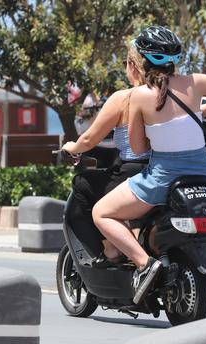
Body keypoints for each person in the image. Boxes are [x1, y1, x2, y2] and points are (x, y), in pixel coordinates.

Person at [92, 26, 206, 303]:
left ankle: (144, 264)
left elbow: (139, 148)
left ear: (142, 60)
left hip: (163, 178)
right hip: (204, 176)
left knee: (102, 213)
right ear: (175, 58)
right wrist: (205, 106)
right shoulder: (194, 83)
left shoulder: (139, 96)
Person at [61, 46, 150, 268]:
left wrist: (73, 147)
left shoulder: (124, 98)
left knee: (83, 185)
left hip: (134, 172)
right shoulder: (167, 96)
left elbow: (90, 138)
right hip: (163, 170)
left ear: (132, 66)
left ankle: (110, 247)